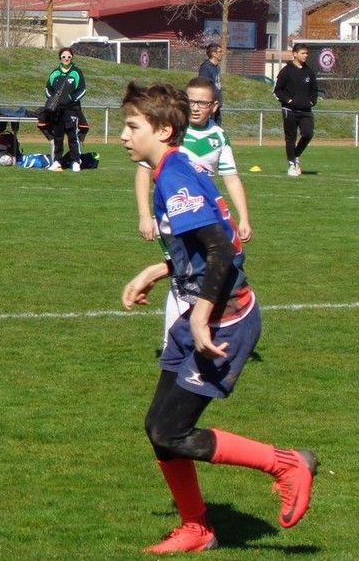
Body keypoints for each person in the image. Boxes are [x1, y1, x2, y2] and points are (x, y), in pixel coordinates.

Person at [119, 82, 316, 554]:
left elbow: (223, 249)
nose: (123, 136)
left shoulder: (174, 175)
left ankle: (287, 464)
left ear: (163, 130)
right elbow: (211, 241)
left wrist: (202, 317)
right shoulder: (176, 165)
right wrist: (159, 269)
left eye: (132, 126)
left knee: (171, 431)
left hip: (224, 318)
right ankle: (197, 528)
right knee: (158, 429)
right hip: (198, 311)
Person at [135, 77, 252, 247]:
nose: (195, 108)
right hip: (171, 215)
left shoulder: (219, 136)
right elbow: (144, 171)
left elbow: (232, 179)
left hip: (205, 215)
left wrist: (244, 219)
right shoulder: (168, 131)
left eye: (203, 103)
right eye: (191, 102)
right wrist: (145, 216)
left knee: (203, 268)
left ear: (214, 106)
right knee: (185, 268)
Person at [273, 43, 319, 177]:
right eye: (303, 53)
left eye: (307, 53)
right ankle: (292, 164)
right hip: (289, 110)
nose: (306, 55)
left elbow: (314, 90)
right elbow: (277, 90)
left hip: (305, 110)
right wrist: (289, 101)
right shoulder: (286, 71)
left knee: (308, 134)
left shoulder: (309, 71)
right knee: (290, 139)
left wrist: (312, 101)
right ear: (295, 54)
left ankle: (296, 155)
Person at [43, 47, 88, 172]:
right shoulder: (55, 73)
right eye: (64, 57)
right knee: (58, 137)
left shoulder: (76, 72)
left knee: (73, 136)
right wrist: (53, 99)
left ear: (72, 58)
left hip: (72, 110)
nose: (66, 59)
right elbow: (47, 89)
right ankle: (57, 161)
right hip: (58, 111)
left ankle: (76, 161)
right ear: (60, 58)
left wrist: (71, 99)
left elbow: (82, 89)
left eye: (69, 57)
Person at [197, 43, 223, 124]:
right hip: (209, 105)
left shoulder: (216, 67)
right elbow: (203, 86)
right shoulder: (205, 68)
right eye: (220, 51)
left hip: (216, 105)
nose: (222, 53)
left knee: (217, 129)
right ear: (214, 54)